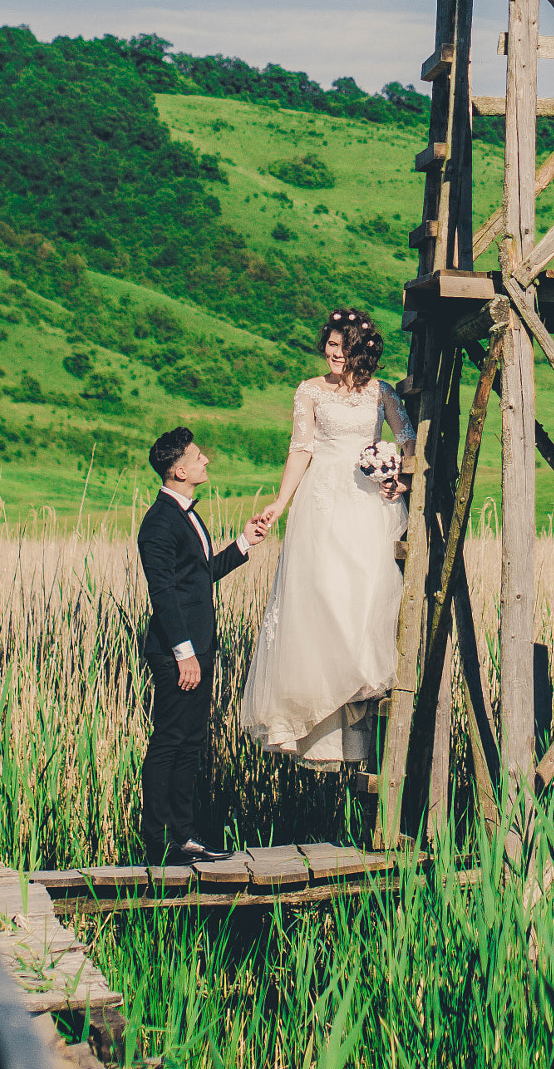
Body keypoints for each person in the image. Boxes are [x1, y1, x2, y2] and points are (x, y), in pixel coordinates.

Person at [240, 308, 414, 767]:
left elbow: (410, 443)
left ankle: (359, 684)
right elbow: (301, 449)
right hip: (322, 501)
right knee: (324, 594)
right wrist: (280, 503)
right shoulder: (310, 391)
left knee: (367, 589)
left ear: (360, 350)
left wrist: (401, 479)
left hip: (369, 502)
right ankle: (318, 702)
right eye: (330, 346)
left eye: (341, 347)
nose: (332, 354)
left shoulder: (383, 394)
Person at [136, 428, 268, 866]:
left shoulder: (186, 515)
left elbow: (198, 576)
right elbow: (163, 593)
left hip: (197, 646)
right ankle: (158, 843)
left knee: (190, 742)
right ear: (179, 469)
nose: (205, 459)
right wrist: (183, 652)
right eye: (197, 456)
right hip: (179, 651)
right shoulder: (158, 522)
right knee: (170, 741)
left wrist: (244, 542)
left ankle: (185, 837)